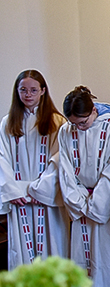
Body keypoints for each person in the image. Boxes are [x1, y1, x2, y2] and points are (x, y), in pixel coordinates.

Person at [58, 86, 110, 287]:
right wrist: (80, 203)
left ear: (93, 112)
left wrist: (94, 205)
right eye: (73, 123)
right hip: (81, 206)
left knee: (109, 261)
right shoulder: (66, 131)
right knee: (83, 261)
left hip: (107, 209)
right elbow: (65, 171)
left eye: (82, 123)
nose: (78, 128)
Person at [0, 70, 69, 269]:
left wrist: (40, 189)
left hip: (46, 199)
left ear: (43, 91)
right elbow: (1, 158)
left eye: (33, 90)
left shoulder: (58, 122)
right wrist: (12, 191)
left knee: (53, 244)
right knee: (22, 250)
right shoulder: (7, 123)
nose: (28, 94)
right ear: (17, 92)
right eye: (23, 90)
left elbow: (60, 159)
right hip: (19, 199)